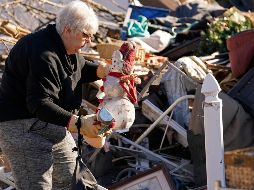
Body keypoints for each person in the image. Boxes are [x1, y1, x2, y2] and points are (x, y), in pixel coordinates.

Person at [0, 1, 109, 189]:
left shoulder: (64, 46)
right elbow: (40, 103)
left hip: (48, 123)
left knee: (75, 182)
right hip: (22, 127)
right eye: (86, 35)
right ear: (68, 30)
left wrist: (104, 71)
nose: (89, 41)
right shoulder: (42, 53)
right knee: (37, 186)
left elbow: (79, 69)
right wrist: (80, 124)